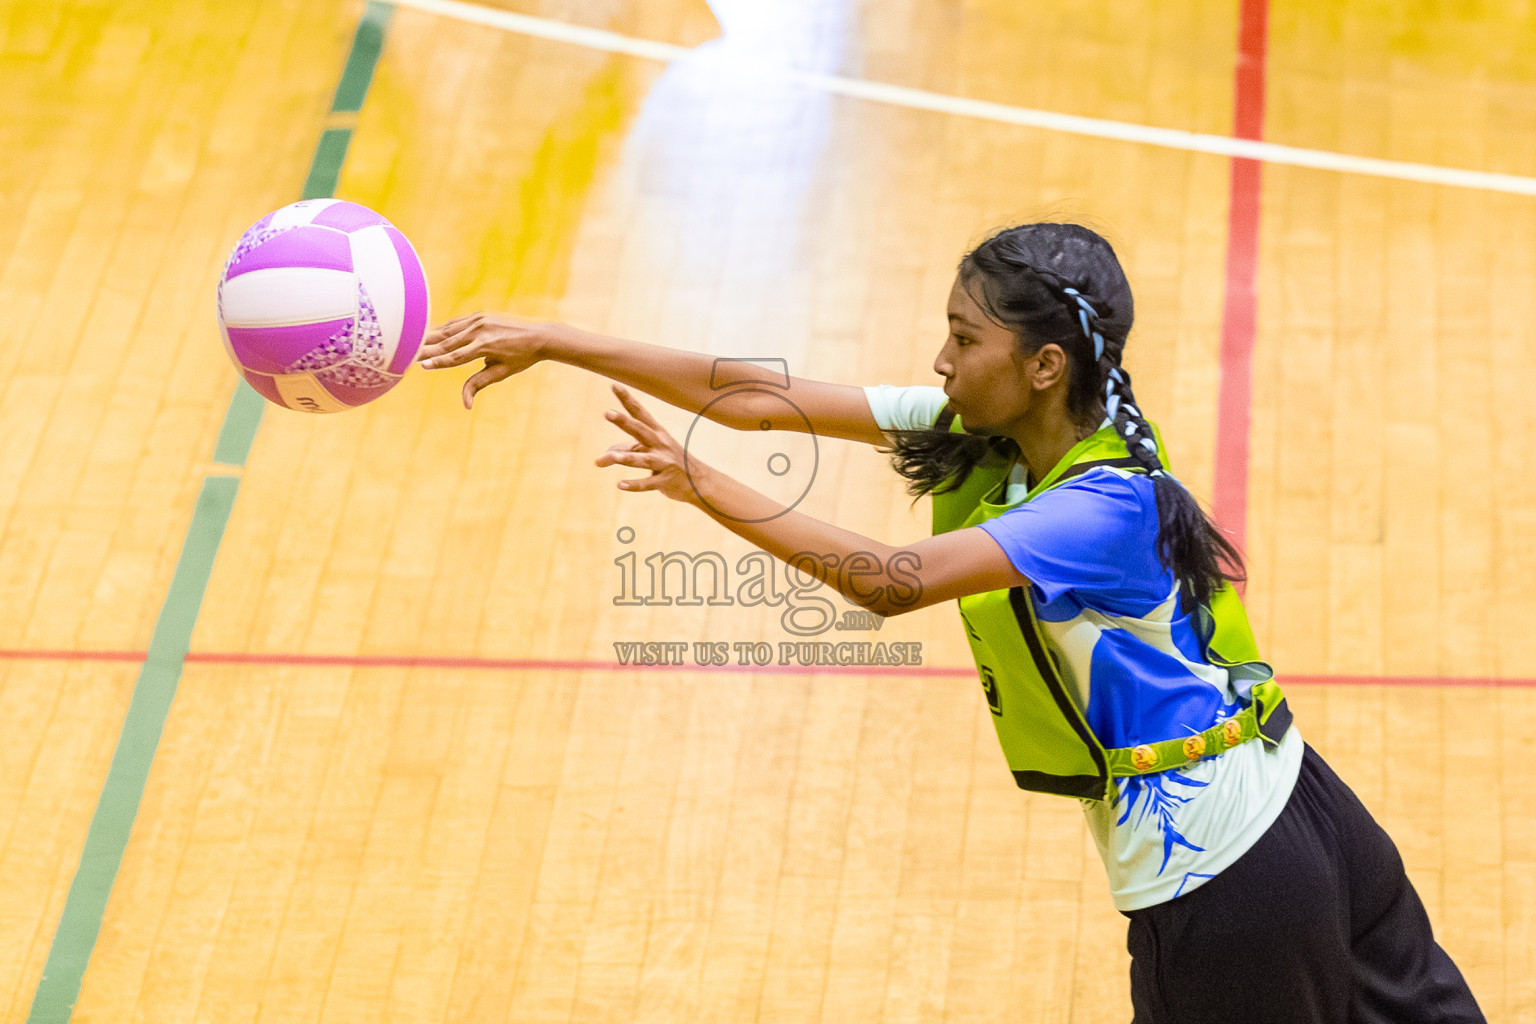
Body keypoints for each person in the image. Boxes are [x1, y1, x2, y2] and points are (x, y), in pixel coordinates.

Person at [418, 222, 1484, 1023]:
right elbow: (756, 398)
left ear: (1042, 365)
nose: (939, 361)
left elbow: (889, 578)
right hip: (1303, 807)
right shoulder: (1021, 433)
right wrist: (557, 338)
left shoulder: (1098, 508)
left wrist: (702, 488)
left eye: (961, 337)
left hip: (1226, 881)